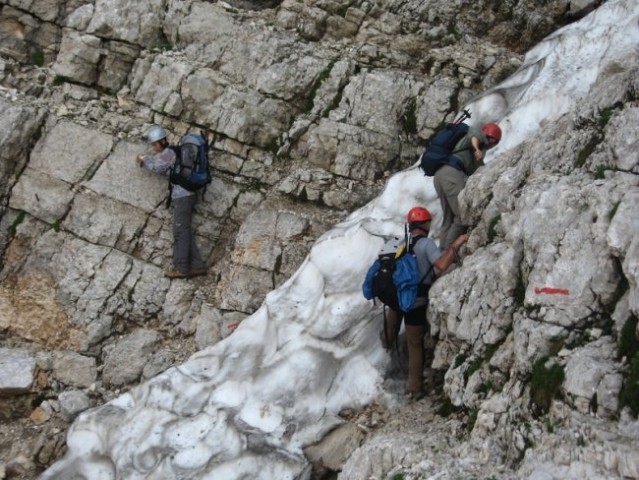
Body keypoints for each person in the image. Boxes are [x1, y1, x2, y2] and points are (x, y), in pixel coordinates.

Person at [383, 206, 469, 400]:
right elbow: (441, 264)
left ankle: (384, 356)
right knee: (415, 344)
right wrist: (456, 245)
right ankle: (415, 387)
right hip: (417, 301)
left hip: (397, 299)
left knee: (391, 331)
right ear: (426, 224)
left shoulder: (401, 244)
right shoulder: (427, 244)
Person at [136, 125, 207, 279]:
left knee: (180, 231)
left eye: (155, 144)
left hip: (182, 197)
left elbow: (158, 167)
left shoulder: (168, 153)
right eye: (152, 145)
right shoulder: (175, 151)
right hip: (187, 195)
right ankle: (198, 266)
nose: (153, 147)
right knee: (185, 230)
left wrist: (144, 160)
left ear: (162, 141)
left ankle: (181, 268)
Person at [433, 123, 501, 249]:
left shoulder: (473, 151)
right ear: (492, 139)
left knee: (449, 218)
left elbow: (479, 171)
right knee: (462, 216)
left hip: (439, 175)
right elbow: (475, 137)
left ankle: (439, 256)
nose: (492, 144)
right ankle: (448, 254)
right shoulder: (478, 137)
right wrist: (477, 149)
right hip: (452, 174)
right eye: (494, 141)